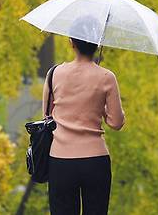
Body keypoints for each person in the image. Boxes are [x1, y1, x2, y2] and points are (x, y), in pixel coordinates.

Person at [42, 31, 125, 215]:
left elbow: (47, 116)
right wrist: (100, 106)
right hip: (95, 161)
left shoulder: (54, 74)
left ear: (72, 42)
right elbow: (116, 122)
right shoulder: (107, 77)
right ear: (97, 45)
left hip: (60, 160)